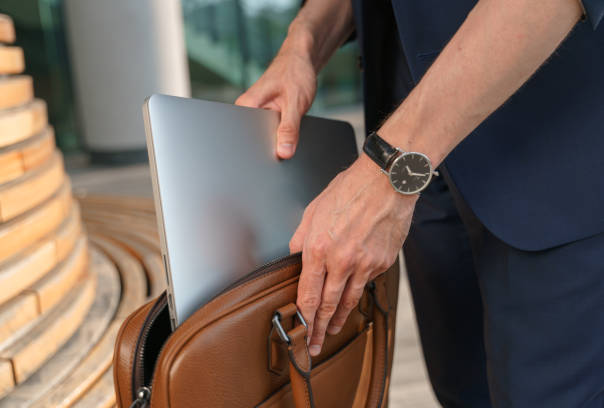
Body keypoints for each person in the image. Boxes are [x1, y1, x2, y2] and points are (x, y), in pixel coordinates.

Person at [236, 0, 604, 406]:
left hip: (554, 155)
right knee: (462, 391)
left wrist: (390, 168)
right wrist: (303, 42)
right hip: (419, 147)